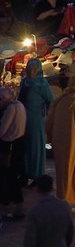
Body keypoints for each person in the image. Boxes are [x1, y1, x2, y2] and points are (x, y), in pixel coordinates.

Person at [45, 70, 75, 209]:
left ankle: (62, 198)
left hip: (58, 139)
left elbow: (49, 122)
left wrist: (50, 137)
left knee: (62, 169)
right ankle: (72, 201)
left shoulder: (59, 99)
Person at [17, 58, 53, 183]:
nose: (31, 71)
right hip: (23, 120)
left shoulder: (42, 83)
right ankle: (25, 172)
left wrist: (49, 119)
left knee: (35, 146)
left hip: (36, 120)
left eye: (34, 68)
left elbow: (50, 101)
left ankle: (36, 173)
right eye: (29, 68)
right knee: (24, 147)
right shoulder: (25, 82)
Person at [22, 175, 74, 247]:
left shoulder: (34, 212)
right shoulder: (65, 206)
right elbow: (70, 233)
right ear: (51, 188)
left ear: (37, 189)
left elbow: (30, 241)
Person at [0, 85, 25, 219]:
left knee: (9, 176)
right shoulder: (20, 105)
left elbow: (3, 130)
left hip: (9, 145)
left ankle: (16, 207)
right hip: (18, 144)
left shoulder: (11, 109)